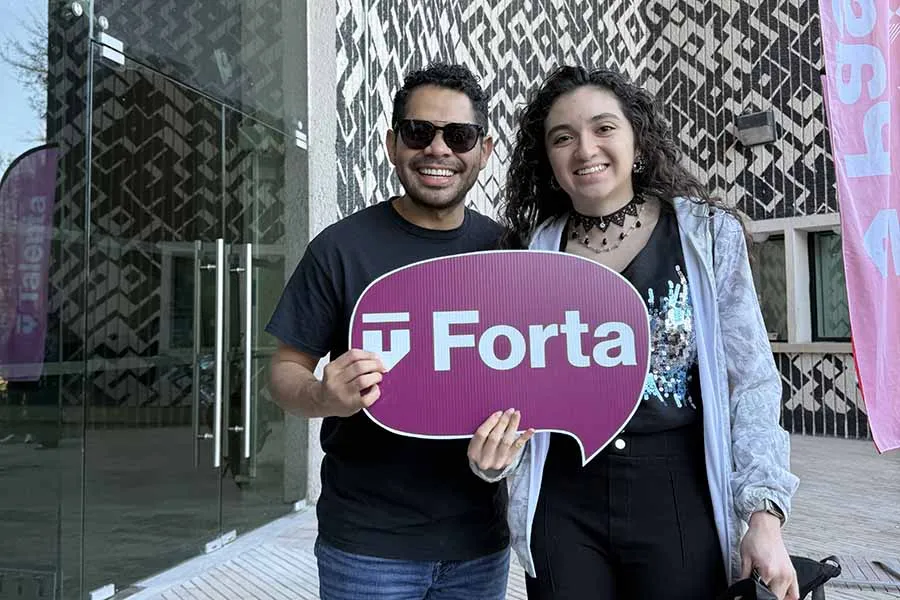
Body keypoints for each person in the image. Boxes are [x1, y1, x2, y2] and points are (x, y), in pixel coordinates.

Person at [467, 66, 801, 600]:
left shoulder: (707, 235)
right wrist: (493, 460)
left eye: (604, 128)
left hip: (678, 492)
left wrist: (764, 517)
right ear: (549, 162)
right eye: (563, 137)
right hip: (563, 499)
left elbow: (752, 382)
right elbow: (507, 387)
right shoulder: (527, 255)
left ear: (638, 142)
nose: (585, 148)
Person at [266, 63, 511, 600]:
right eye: (419, 132)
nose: (438, 149)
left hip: (479, 542)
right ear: (391, 143)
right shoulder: (339, 249)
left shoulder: (510, 257)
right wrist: (322, 395)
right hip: (366, 547)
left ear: (484, 150)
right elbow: (283, 371)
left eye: (460, 135)